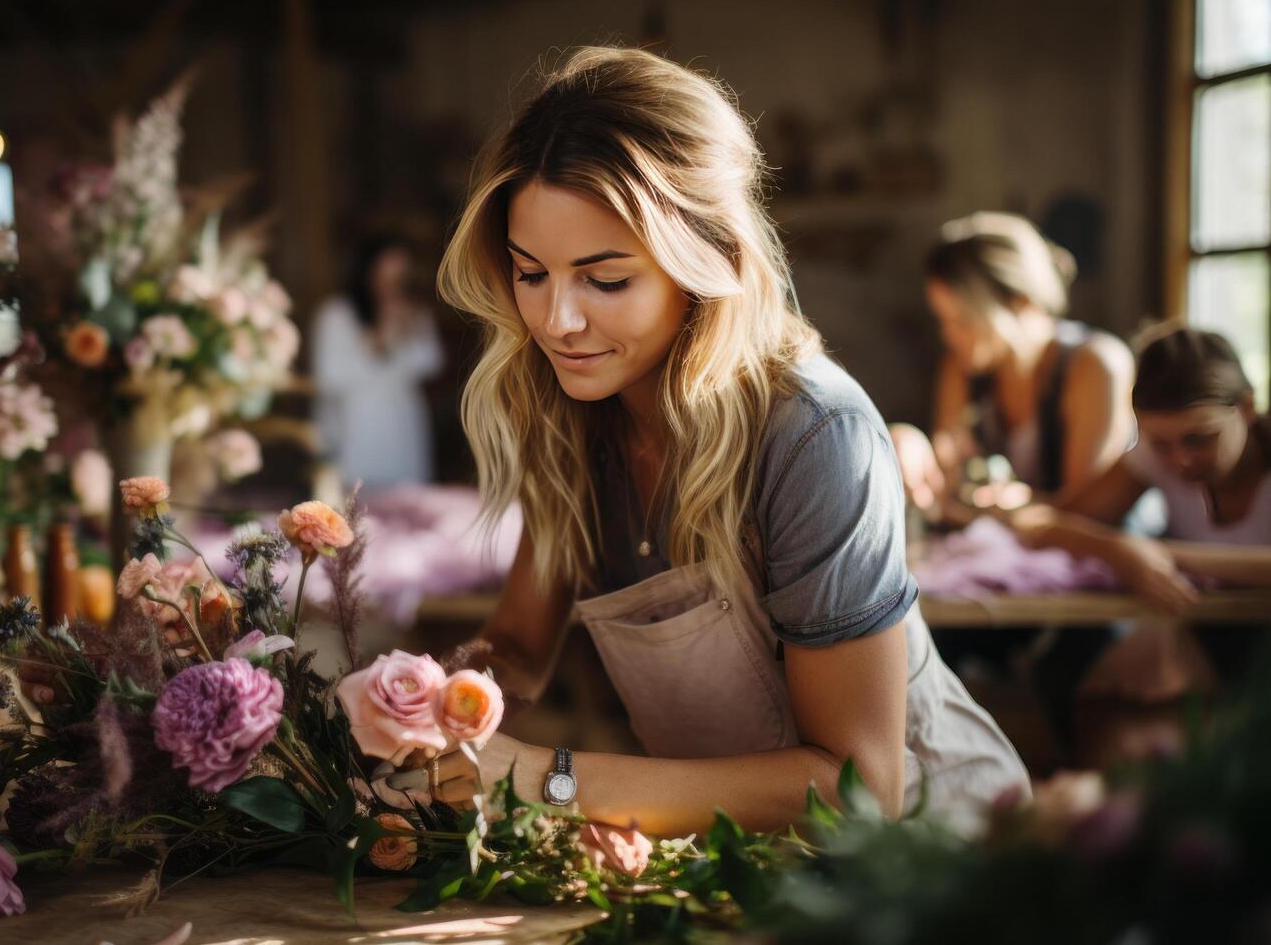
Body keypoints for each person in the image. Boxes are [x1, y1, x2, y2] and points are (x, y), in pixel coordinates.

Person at [396, 46, 1027, 838]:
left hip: (930, 867)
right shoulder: (567, 415)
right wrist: (423, 704)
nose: (557, 322)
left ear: (708, 263)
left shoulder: (816, 435)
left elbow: (858, 790)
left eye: (607, 279)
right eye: (531, 273)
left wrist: (546, 778)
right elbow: (520, 646)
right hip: (744, 865)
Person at [1012, 326, 1271, 714]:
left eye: (1201, 438)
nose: (1180, 459)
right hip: (1209, 637)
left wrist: (1161, 553)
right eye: (1160, 444)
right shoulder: (1154, 457)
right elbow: (1038, 523)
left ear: (1248, 407)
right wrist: (1116, 550)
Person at [890, 213, 1135, 516]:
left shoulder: (1095, 366)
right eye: (944, 320)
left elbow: (1089, 514)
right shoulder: (964, 365)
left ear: (1021, 302)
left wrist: (1014, 505)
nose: (948, 336)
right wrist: (907, 440)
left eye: (964, 321)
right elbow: (946, 486)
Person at [312, 236, 444, 491]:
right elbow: (329, 377)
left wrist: (407, 330)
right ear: (366, 274)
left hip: (402, 422)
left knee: (407, 498)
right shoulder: (336, 315)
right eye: (384, 276)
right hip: (354, 425)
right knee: (355, 505)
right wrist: (379, 339)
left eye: (399, 278)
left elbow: (431, 361)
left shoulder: (414, 314)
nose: (390, 287)